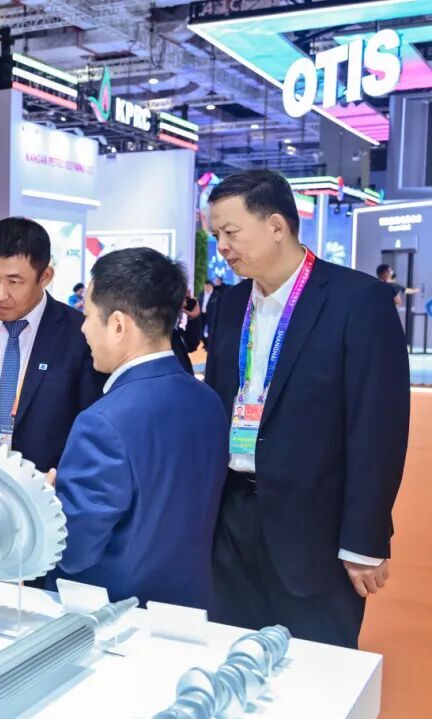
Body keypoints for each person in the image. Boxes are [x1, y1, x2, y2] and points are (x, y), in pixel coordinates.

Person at [205, 169, 409, 648]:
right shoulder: (230, 305)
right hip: (231, 518)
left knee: (317, 667)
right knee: (233, 656)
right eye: (216, 236)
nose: (222, 247)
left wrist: (364, 539)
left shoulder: (357, 301)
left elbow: (377, 429)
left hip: (316, 528)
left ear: (276, 225)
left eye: (230, 232)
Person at [48, 248, 228, 608]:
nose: (83, 328)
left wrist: (49, 500)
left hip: (113, 613)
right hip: (188, 605)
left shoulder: (102, 423)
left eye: (88, 316)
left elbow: (74, 551)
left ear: (118, 325)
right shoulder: (208, 400)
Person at [0, 217, 101, 475]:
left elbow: (90, 430)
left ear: (45, 276)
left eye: (14, 282)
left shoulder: (79, 335)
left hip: (49, 489)